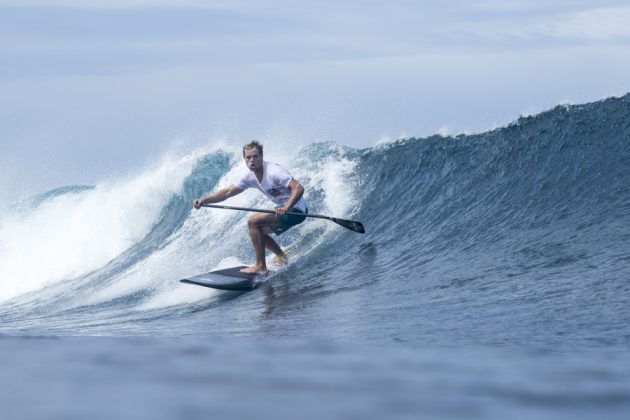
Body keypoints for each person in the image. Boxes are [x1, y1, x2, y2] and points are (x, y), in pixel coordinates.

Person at [193, 140, 308, 275]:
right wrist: (204, 200)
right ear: (244, 159)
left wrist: (287, 207)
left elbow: (298, 188)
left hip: (296, 210)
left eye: (255, 156)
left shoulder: (274, 172)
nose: (252, 160)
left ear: (261, 157)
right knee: (258, 232)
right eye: (248, 157)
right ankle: (282, 257)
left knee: (252, 221)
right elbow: (227, 192)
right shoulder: (250, 176)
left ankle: (260, 266)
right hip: (284, 209)